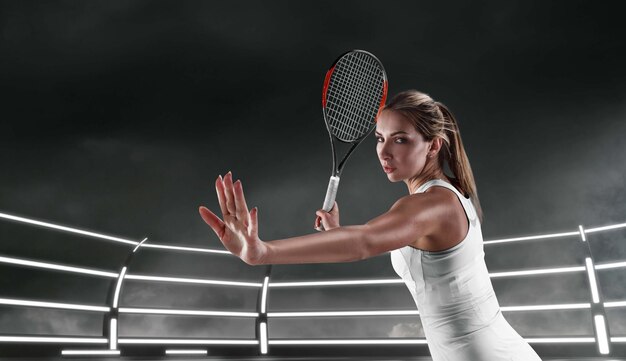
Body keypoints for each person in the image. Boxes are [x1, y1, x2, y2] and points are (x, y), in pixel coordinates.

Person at [199, 90, 542, 361]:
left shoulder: (432, 204)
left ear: (434, 145)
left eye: (400, 139)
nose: (383, 151)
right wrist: (337, 235)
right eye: (380, 138)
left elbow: (364, 241)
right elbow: (388, 246)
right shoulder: (443, 196)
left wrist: (264, 252)